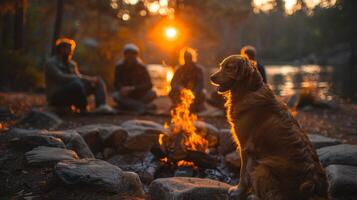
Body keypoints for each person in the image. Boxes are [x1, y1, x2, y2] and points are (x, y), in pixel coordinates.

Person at [44, 38, 113, 113]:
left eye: (71, 49)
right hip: (57, 96)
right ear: (61, 49)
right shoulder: (51, 63)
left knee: (97, 81)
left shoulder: (72, 64)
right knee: (76, 84)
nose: (70, 51)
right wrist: (82, 79)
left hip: (75, 90)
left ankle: (101, 106)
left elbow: (79, 76)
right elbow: (61, 77)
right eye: (68, 49)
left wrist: (91, 79)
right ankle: (83, 107)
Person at [207, 45, 267, 110]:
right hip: (255, 95)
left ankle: (223, 107)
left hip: (250, 97)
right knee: (216, 93)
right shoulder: (260, 67)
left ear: (244, 54)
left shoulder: (246, 68)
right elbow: (265, 83)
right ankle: (224, 107)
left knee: (216, 95)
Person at [113, 43, 156, 113]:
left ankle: (128, 106)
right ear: (124, 55)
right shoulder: (119, 67)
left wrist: (133, 88)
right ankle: (143, 106)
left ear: (136, 55)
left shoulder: (142, 67)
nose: (130, 56)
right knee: (115, 96)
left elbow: (149, 84)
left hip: (139, 95)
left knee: (153, 93)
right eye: (128, 54)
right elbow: (116, 83)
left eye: (132, 54)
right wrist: (122, 89)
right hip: (125, 95)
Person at [169, 47, 206, 112]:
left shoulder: (198, 70)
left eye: (189, 58)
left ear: (192, 58)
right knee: (171, 93)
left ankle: (196, 106)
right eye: (186, 58)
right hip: (182, 92)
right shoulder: (179, 69)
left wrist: (194, 92)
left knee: (203, 94)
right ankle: (178, 105)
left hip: (194, 93)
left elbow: (201, 84)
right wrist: (181, 88)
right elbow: (173, 83)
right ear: (183, 58)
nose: (188, 60)